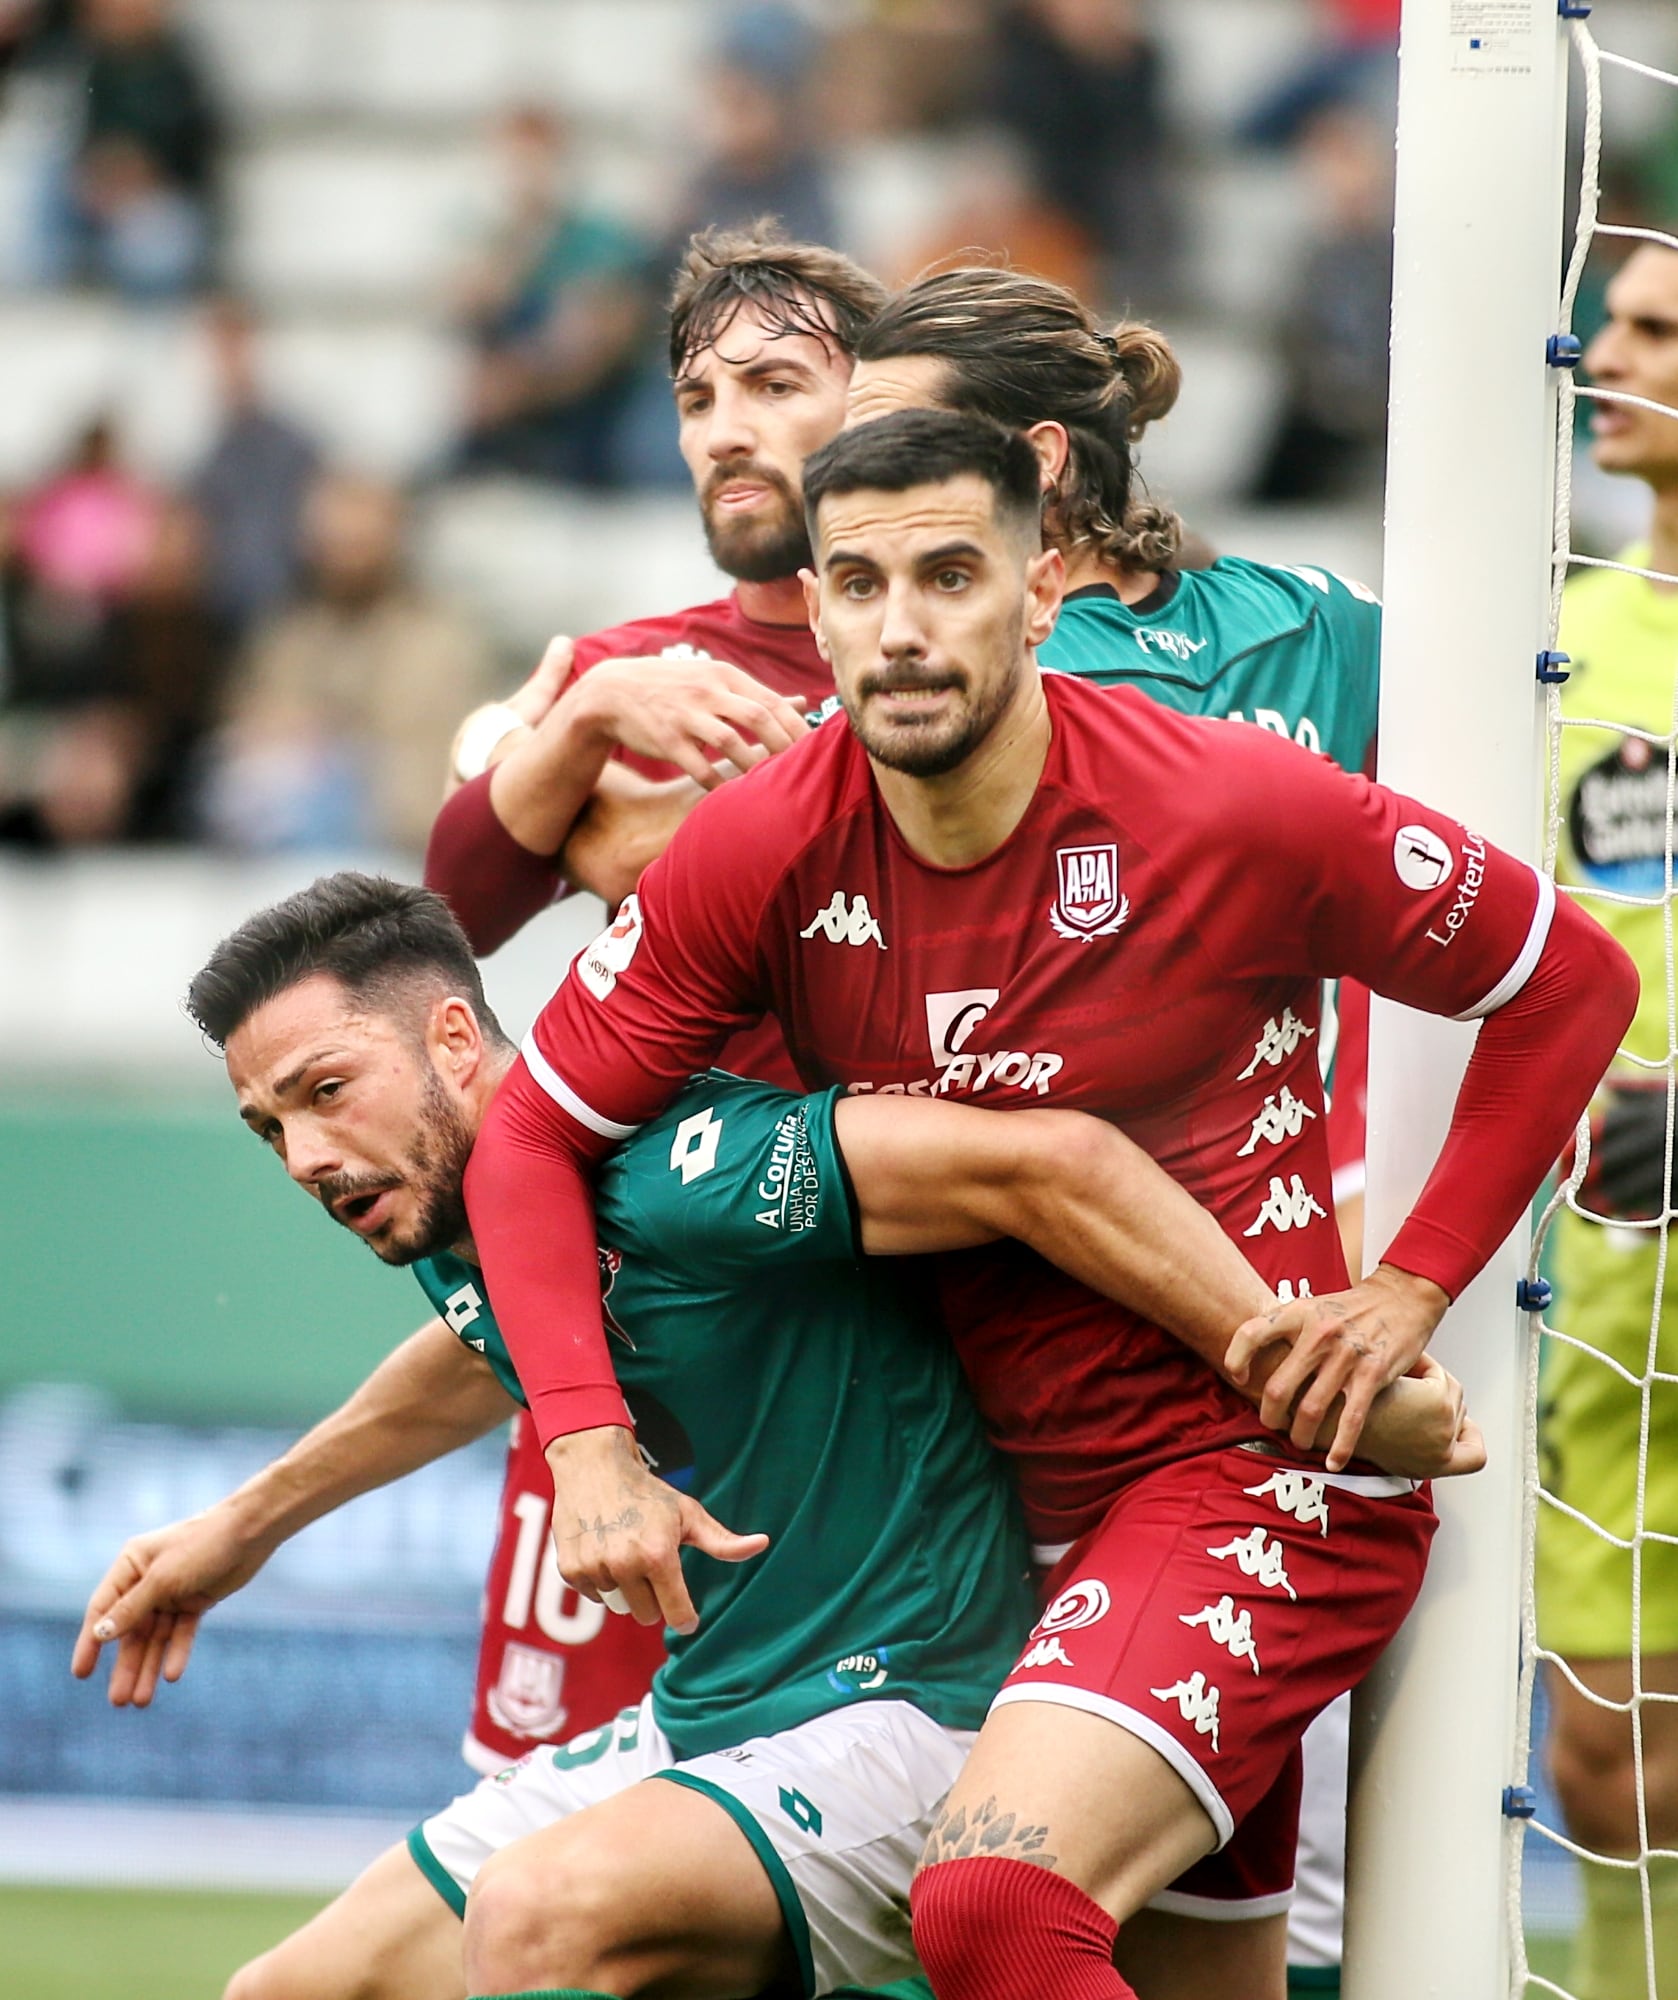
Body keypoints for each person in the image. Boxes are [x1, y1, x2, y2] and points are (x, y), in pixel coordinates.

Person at [459, 411, 1637, 2000]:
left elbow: (1568, 978)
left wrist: (1408, 1289)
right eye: (858, 584)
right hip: (1009, 1528)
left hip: (1253, 1470)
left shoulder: (1224, 804)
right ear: (810, 612)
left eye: (949, 574)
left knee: (989, 1903)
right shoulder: (762, 847)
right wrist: (591, 1442)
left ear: (1036, 592)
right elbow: (526, 1139)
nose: (901, 626)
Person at [72, 871, 1473, 2000]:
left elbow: (1051, 1164)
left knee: (543, 1916)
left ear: (454, 1040)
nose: (305, 1158)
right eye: (268, 1129)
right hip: (718, 1717)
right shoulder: (450, 1219)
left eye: (326, 1091)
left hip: (916, 1707)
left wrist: (1286, 1363)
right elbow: (468, 1353)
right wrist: (239, 1527)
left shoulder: (687, 1170)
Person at [427, 223, 888, 1774]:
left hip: (889, 1350)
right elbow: (455, 905)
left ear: (881, 402)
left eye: (773, 382)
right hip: (639, 1353)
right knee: (533, 1850)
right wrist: (583, 725)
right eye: (698, 396)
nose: (725, 428)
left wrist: (644, 839)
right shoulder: (638, 669)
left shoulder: (959, 656)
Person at [1535, 238, 1678, 2000]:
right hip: (1602, 1267)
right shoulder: (1561, 634)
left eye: (1654, 328)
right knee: (1604, 1768)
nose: (1603, 349)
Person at [203, 472, 496, 854]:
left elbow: (441, 768)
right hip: (282, 865)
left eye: (360, 542)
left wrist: (338, 750)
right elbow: (249, 730)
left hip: (404, 856)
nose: (345, 557)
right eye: (333, 543)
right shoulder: (289, 636)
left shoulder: (441, 639)